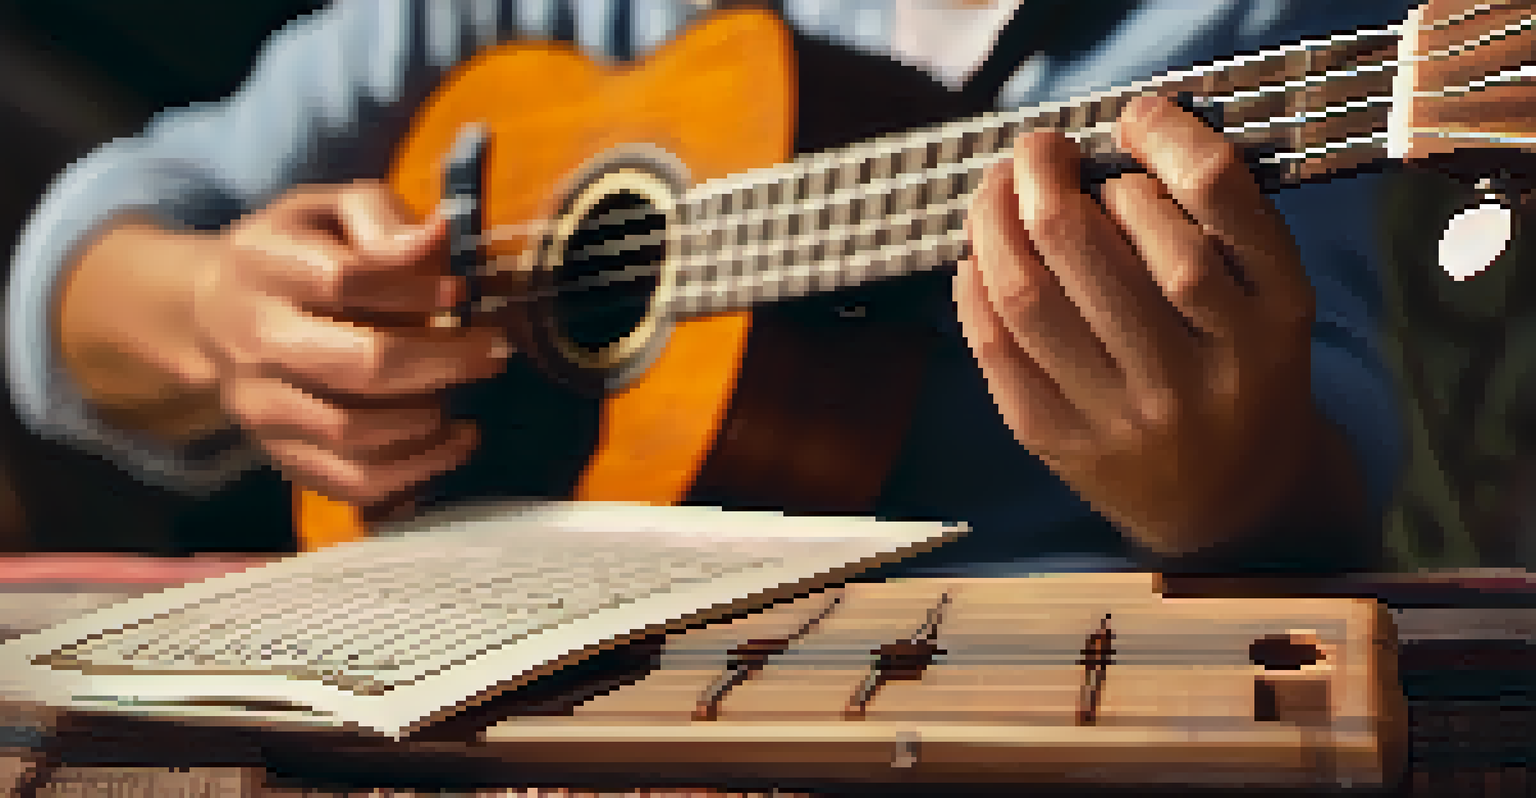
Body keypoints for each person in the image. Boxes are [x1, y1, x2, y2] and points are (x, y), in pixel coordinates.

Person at [5, 0, 1415, 574]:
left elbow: (1331, 455)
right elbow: (73, 274)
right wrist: (217, 319)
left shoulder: (1256, 30)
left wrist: (1217, 477)